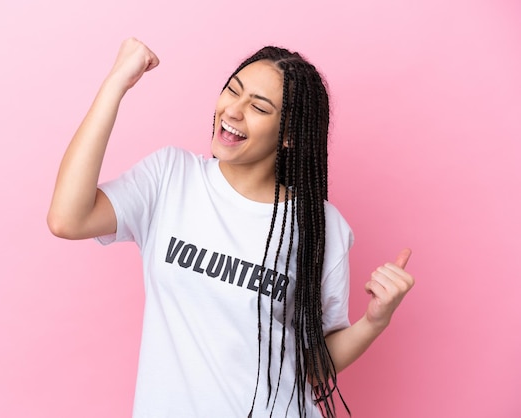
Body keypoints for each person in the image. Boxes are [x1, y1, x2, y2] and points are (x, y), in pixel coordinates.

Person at [47, 37, 415, 418]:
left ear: (288, 134)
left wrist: (374, 322)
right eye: (232, 91)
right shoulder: (171, 177)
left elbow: (312, 369)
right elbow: (67, 218)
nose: (233, 112)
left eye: (258, 107)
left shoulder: (320, 226)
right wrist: (116, 83)